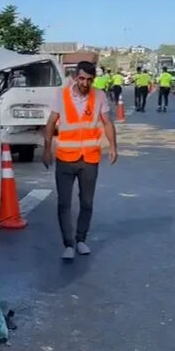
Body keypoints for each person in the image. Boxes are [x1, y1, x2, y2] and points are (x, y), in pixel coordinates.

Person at [42, 61, 118, 260]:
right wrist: (46, 149)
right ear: (76, 77)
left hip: (89, 158)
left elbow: (107, 123)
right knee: (64, 203)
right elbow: (50, 123)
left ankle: (81, 239)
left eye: (90, 80)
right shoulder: (61, 95)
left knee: (87, 202)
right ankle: (68, 243)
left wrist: (113, 147)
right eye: (82, 78)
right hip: (65, 158)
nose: (85, 83)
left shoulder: (99, 95)